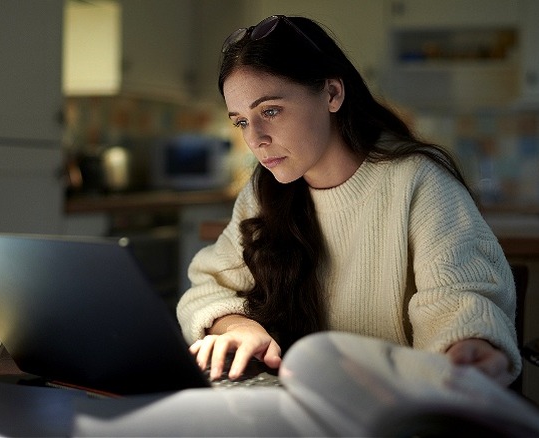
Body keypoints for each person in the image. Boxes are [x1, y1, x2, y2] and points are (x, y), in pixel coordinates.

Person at [176, 15, 521, 387]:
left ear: (332, 94)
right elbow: (208, 286)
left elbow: (460, 299)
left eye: (270, 111)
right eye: (241, 121)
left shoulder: (416, 182)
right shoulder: (265, 192)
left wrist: (468, 346)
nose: (255, 138)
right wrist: (236, 325)